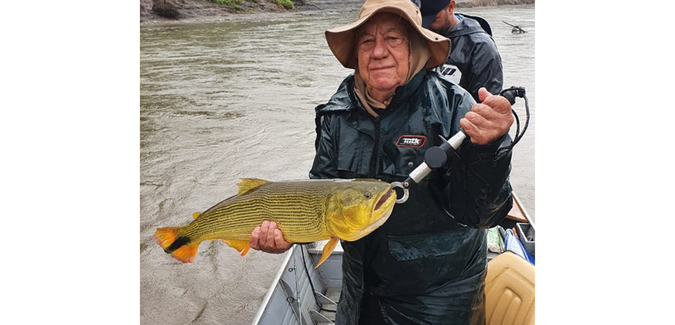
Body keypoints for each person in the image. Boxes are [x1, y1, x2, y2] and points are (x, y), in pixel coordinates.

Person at [250, 0, 514, 323]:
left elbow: (483, 213)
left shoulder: (454, 106)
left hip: (439, 303)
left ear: (415, 47)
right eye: (366, 41)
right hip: (359, 295)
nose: (378, 52)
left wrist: (492, 148)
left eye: (392, 38)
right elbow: (318, 197)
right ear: (357, 54)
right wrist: (286, 233)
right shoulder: (336, 113)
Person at [420, 0, 503, 103]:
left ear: (450, 7)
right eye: (421, 20)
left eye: (434, 19)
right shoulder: (416, 35)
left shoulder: (481, 47)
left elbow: (485, 104)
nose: (426, 26)